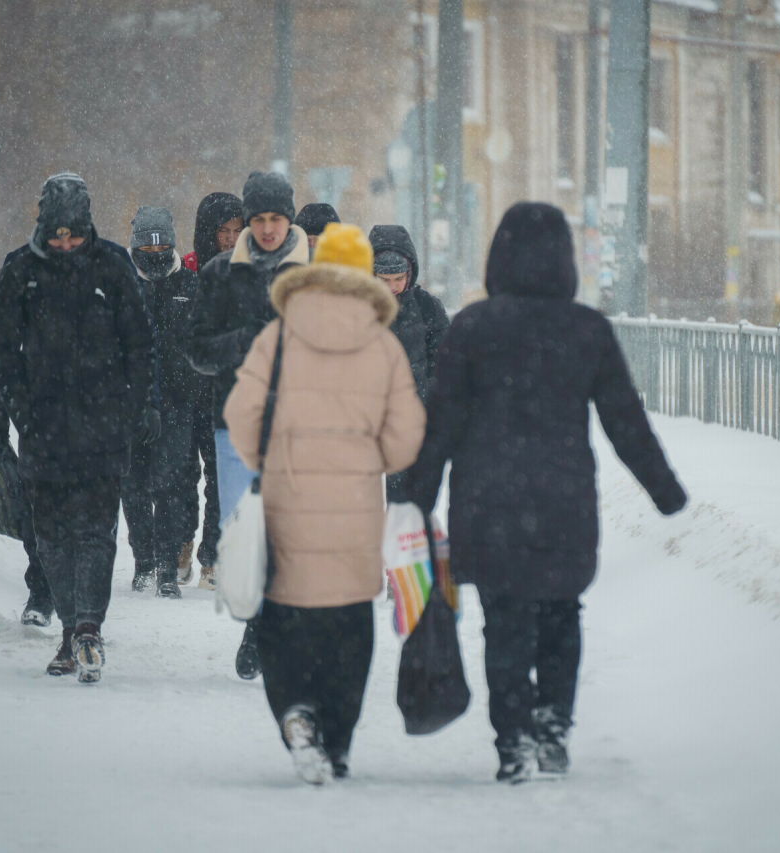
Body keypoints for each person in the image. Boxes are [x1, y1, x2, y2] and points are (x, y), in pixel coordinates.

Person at [401, 203, 688, 783]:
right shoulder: (587, 330)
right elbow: (625, 422)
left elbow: (440, 426)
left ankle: (513, 741)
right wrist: (666, 491)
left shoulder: (473, 327)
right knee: (561, 615)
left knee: (503, 621)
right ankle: (554, 727)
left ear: (498, 258)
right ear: (565, 260)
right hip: (564, 504)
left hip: (489, 504)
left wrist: (413, 499)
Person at [223, 223, 425, 784]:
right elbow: (406, 437)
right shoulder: (384, 345)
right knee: (348, 629)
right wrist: (369, 460)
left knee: (286, 620)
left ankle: (295, 711)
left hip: (289, 507)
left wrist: (269, 460)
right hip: (357, 513)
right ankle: (335, 741)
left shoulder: (279, 337)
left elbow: (241, 416)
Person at [0, 172, 159, 684]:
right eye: (57, 234)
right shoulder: (20, 270)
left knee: (96, 533)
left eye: (74, 234)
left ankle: (88, 626)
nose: (65, 244)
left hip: (104, 423)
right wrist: (19, 411)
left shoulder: (113, 267)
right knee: (52, 537)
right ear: (42, 227)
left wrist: (137, 407)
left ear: (88, 226)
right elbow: (0, 349)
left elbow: (139, 344)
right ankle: (69, 629)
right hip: (43, 426)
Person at [189, 171, 308, 679]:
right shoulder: (220, 274)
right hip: (234, 423)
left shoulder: (318, 274)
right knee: (241, 537)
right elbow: (195, 348)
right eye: (257, 220)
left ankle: (265, 629)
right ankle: (256, 614)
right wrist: (243, 343)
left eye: (275, 220)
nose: (266, 229)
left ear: (289, 220)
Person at [120, 206, 201, 598]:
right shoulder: (122, 284)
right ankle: (144, 562)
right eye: (146, 246)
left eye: (163, 245)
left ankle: (168, 567)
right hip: (130, 403)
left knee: (169, 485)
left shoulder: (189, 284)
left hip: (177, 402)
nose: (155, 253)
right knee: (132, 485)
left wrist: (191, 381)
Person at [180, 193, 245, 588]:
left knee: (221, 475)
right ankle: (182, 542)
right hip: (185, 389)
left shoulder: (248, 271)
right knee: (182, 474)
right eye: (224, 230)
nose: (231, 238)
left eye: (238, 230)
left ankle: (212, 557)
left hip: (227, 389)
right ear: (209, 232)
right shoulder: (186, 269)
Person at [368, 225, 449, 502]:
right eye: (383, 280)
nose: (392, 288)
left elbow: (442, 364)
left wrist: (424, 402)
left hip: (410, 420)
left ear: (410, 272)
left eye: (399, 279)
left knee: (406, 500)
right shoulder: (358, 307)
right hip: (365, 418)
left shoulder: (428, 308)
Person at [0, 377, 54, 626]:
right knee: (37, 502)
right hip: (37, 409)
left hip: (91, 401)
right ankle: (42, 592)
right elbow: (2, 347)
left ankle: (80, 594)